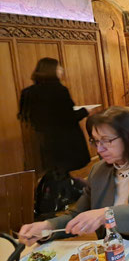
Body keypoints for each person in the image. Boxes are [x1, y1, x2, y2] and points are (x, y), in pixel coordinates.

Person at [18, 106, 129, 247]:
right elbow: (78, 216)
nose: (99, 149)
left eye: (107, 140)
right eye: (95, 141)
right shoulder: (98, 171)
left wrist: (107, 214)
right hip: (117, 251)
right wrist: (47, 227)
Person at [18, 57, 91, 217]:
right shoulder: (59, 91)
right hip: (64, 141)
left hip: (42, 142)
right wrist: (85, 111)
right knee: (59, 173)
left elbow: (25, 117)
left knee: (56, 172)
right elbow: (68, 117)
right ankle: (53, 205)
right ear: (52, 70)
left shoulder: (28, 92)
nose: (61, 70)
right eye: (59, 68)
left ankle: (52, 202)